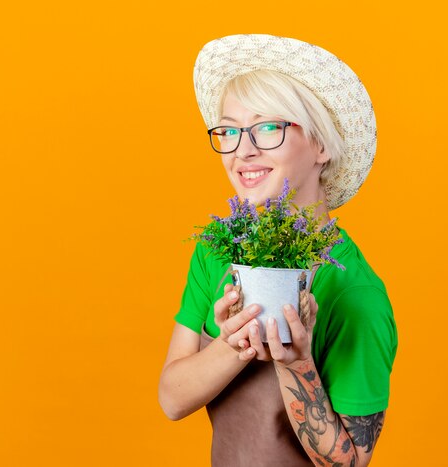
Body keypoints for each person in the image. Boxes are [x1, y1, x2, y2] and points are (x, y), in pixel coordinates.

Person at [159, 34, 398, 467]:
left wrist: (297, 362)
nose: (242, 150)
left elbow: (350, 462)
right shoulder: (216, 256)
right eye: (229, 130)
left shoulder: (353, 293)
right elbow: (172, 399)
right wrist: (234, 345)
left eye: (268, 126)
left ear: (322, 145)